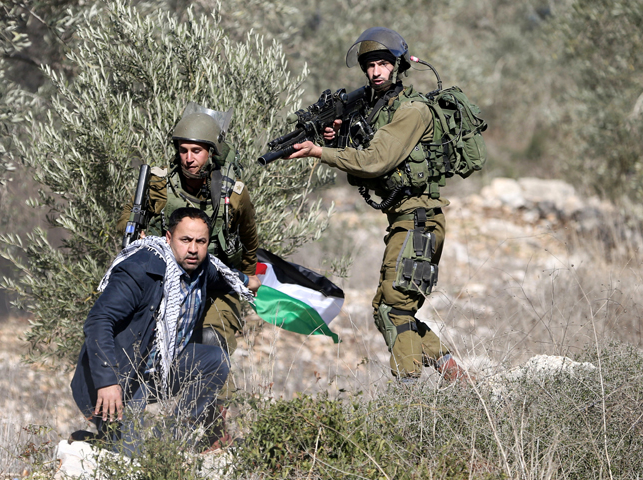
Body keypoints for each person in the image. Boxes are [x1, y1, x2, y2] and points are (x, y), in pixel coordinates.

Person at [285, 27, 467, 383]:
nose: (375, 72)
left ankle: (409, 396)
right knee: (388, 307)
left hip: (419, 220)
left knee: (393, 308)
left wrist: (322, 152)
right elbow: (364, 165)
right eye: (369, 65)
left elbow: (376, 160)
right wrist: (335, 137)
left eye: (383, 63)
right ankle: (453, 372)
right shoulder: (376, 111)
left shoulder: (413, 111)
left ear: (398, 66)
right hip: (404, 220)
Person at [117, 105, 259, 441]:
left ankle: (201, 429)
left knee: (213, 339)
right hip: (170, 279)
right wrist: (134, 233)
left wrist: (245, 281)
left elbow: (250, 243)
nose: (189, 158)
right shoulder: (159, 185)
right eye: (183, 150)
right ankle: (125, 425)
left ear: (211, 153)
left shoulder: (232, 196)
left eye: (196, 150)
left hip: (218, 283)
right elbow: (127, 217)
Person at [71, 207, 261, 455]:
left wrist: (247, 281)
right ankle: (94, 442)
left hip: (159, 370)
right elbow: (98, 320)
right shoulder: (139, 269)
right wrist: (107, 382)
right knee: (130, 459)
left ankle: (168, 439)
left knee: (216, 360)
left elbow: (223, 275)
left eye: (200, 241)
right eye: (186, 240)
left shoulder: (201, 268)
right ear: (169, 238)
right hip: (120, 380)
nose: (193, 248)